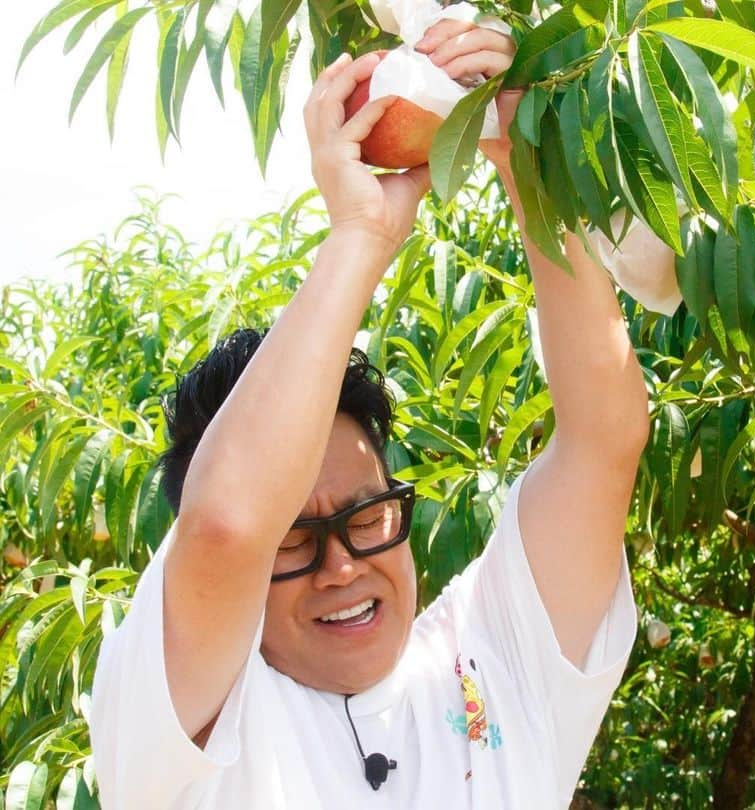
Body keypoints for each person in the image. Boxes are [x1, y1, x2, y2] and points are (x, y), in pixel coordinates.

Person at [89, 19, 649, 810]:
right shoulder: (182, 730)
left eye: (367, 516)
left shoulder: (488, 662)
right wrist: (364, 232)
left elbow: (605, 439)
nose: (342, 567)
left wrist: (530, 164)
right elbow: (225, 524)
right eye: (292, 538)